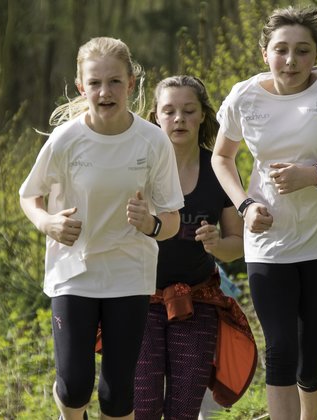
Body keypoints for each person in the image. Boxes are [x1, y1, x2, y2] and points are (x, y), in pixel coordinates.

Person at [210, 5, 317, 420]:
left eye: (303, 51)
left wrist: (316, 174)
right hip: (269, 240)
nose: (291, 61)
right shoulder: (244, 96)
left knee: (310, 356)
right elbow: (222, 158)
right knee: (281, 348)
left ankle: (311, 414)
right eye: (281, 50)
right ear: (264, 53)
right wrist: (246, 205)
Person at [18, 37, 185, 420]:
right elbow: (30, 196)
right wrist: (48, 223)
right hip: (73, 272)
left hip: (129, 273)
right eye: (94, 83)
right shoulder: (66, 140)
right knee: (75, 386)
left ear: (130, 83)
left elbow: (172, 221)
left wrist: (152, 223)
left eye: (114, 82)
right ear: (81, 86)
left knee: (116, 392)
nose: (104, 92)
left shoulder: (153, 140)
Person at [134, 75, 246, 420]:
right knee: (143, 407)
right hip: (137, 299)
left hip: (197, 301)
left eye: (188, 110)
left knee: (184, 409)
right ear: (155, 117)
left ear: (202, 116)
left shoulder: (219, 170)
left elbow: (237, 246)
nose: (178, 118)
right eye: (169, 111)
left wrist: (216, 244)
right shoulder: (137, 166)